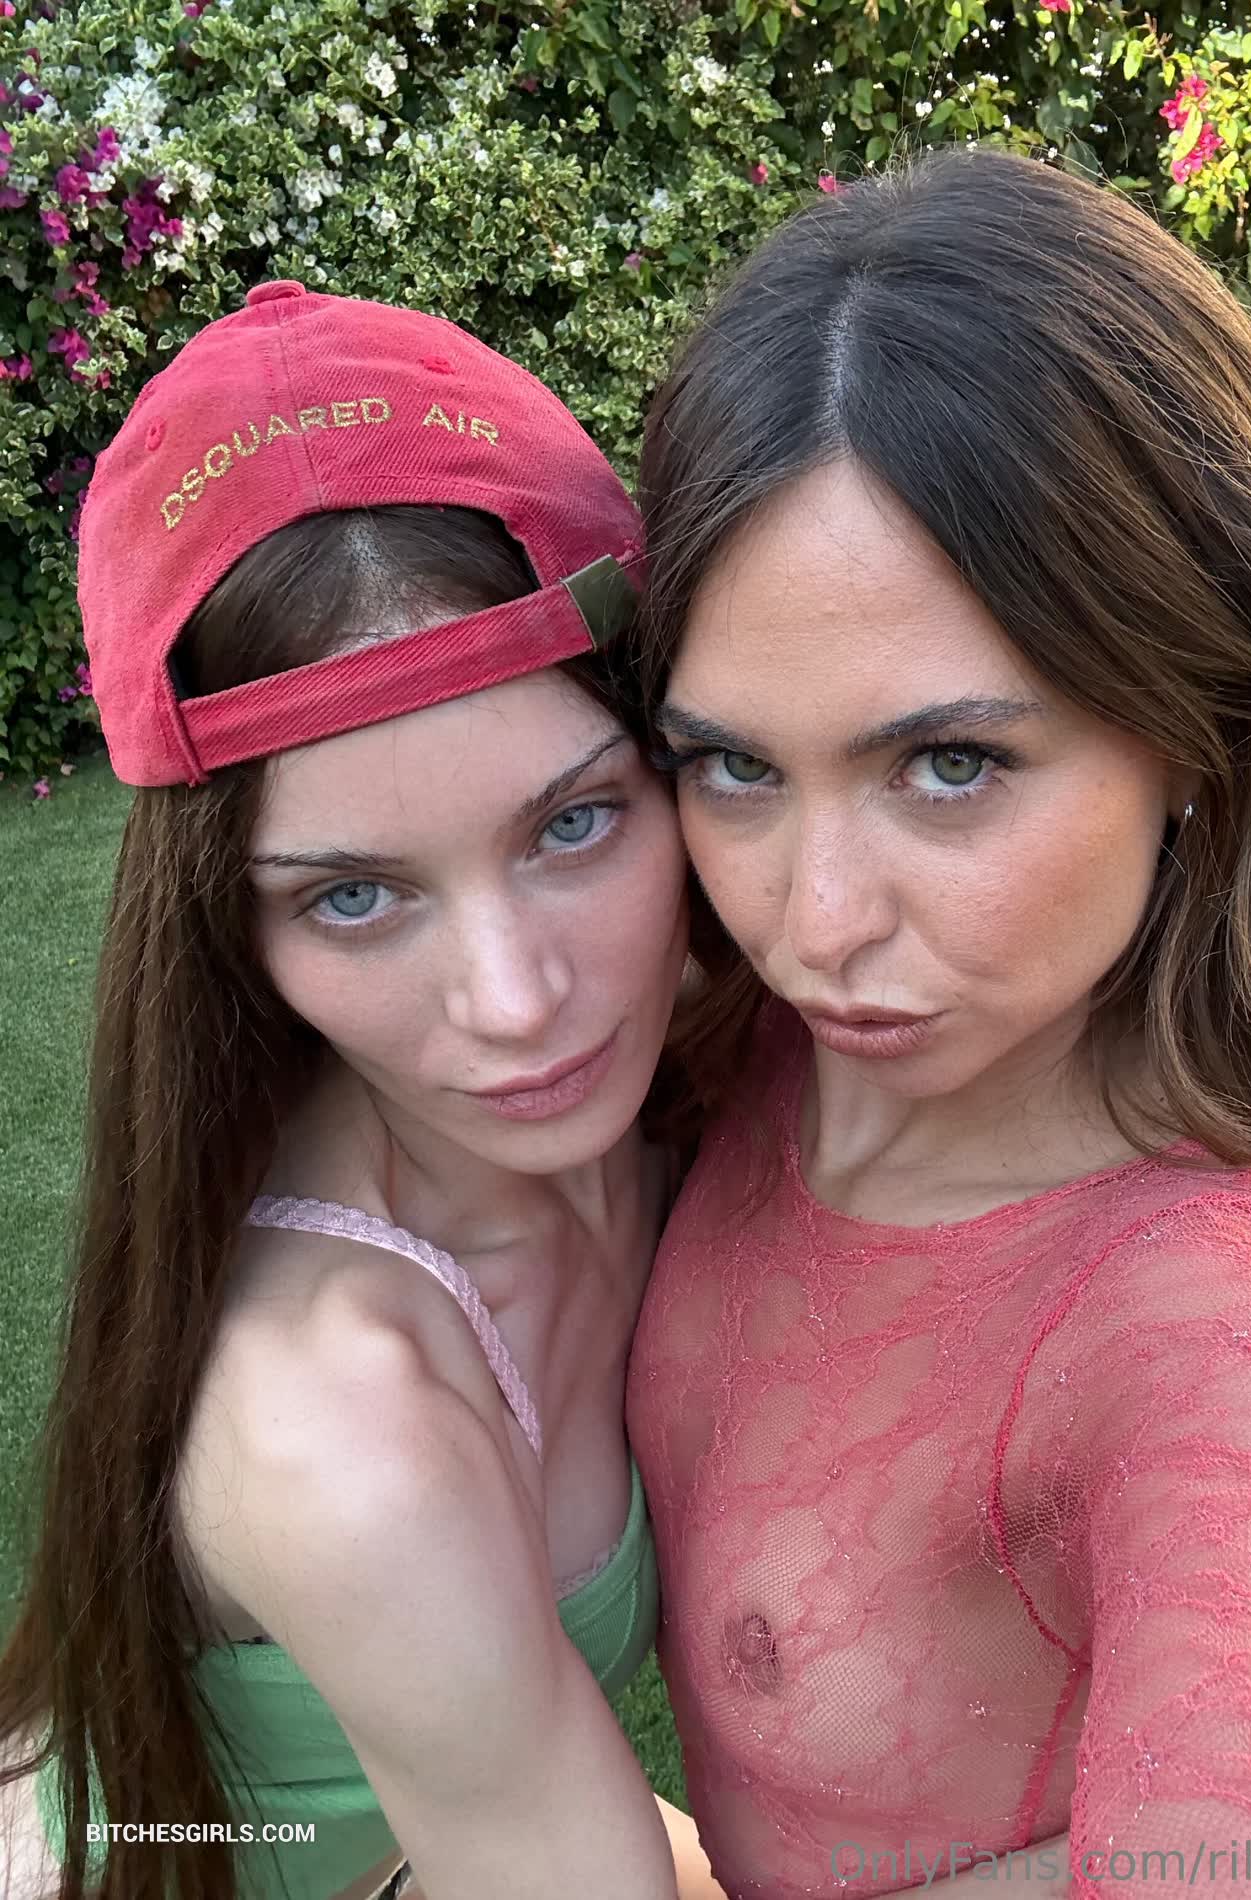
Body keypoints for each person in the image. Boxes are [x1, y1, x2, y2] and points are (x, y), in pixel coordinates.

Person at [626, 148, 1251, 1897]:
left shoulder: (1223, 1345)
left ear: (1206, 732)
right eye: (733, 766)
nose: (812, 926)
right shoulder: (714, 1044)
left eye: (948, 764)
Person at [0, 283, 713, 1900]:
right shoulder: (341, 1434)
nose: (517, 1002)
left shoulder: (710, 1055)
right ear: (234, 937)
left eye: (574, 824)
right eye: (353, 897)